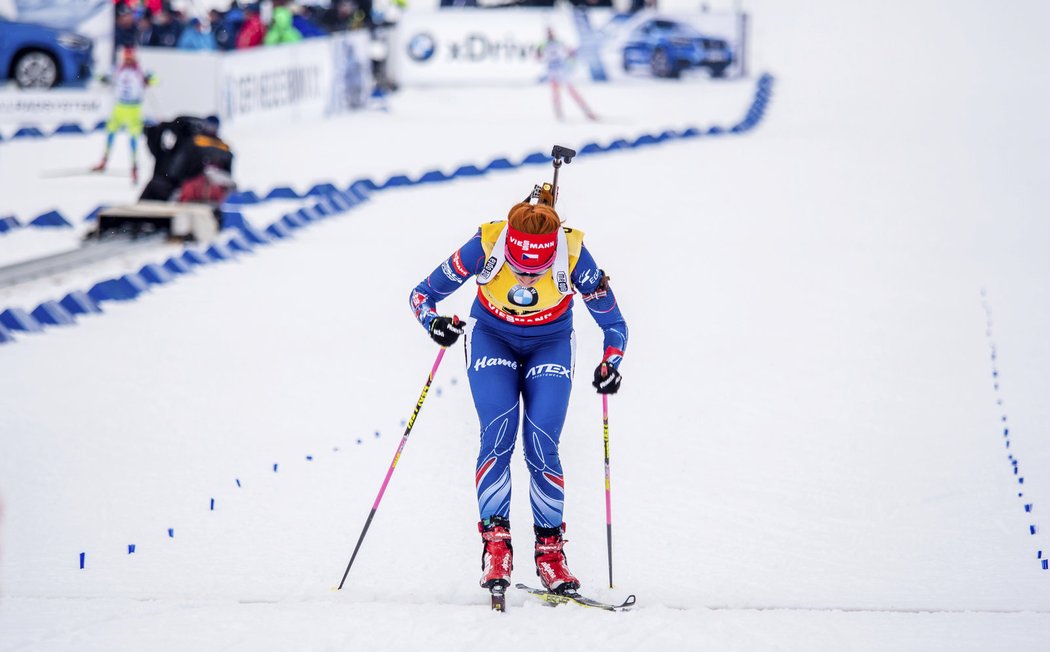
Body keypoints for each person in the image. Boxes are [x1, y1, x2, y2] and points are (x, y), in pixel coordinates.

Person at [408, 183, 627, 595]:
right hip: (492, 336)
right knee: (498, 436)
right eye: (519, 266)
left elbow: (614, 324)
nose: (527, 275)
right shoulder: (485, 245)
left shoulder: (575, 255)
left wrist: (610, 363)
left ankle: (550, 556)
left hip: (550, 342)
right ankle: (496, 548)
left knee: (542, 443)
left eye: (537, 269)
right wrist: (433, 322)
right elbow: (421, 295)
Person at [92, 46, 154, 183]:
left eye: (130, 58)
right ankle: (104, 160)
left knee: (133, 139)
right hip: (119, 107)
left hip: (134, 109)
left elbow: (155, 79)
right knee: (110, 133)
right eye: (126, 58)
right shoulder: (117, 69)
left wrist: (149, 79)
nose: (128, 60)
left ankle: (134, 167)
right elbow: (101, 76)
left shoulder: (140, 70)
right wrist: (103, 78)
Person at [140, 115, 234, 203]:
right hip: (204, 193)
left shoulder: (194, 143)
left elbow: (178, 170)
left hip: (186, 190)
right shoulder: (223, 148)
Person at [540, 28, 597, 122]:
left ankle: (588, 112)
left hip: (561, 70)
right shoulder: (543, 44)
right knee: (555, 93)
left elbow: (569, 52)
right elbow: (538, 57)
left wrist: (571, 55)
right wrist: (539, 54)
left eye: (551, 32)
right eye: (548, 33)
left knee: (572, 92)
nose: (550, 34)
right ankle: (558, 114)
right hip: (552, 71)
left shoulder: (559, 42)